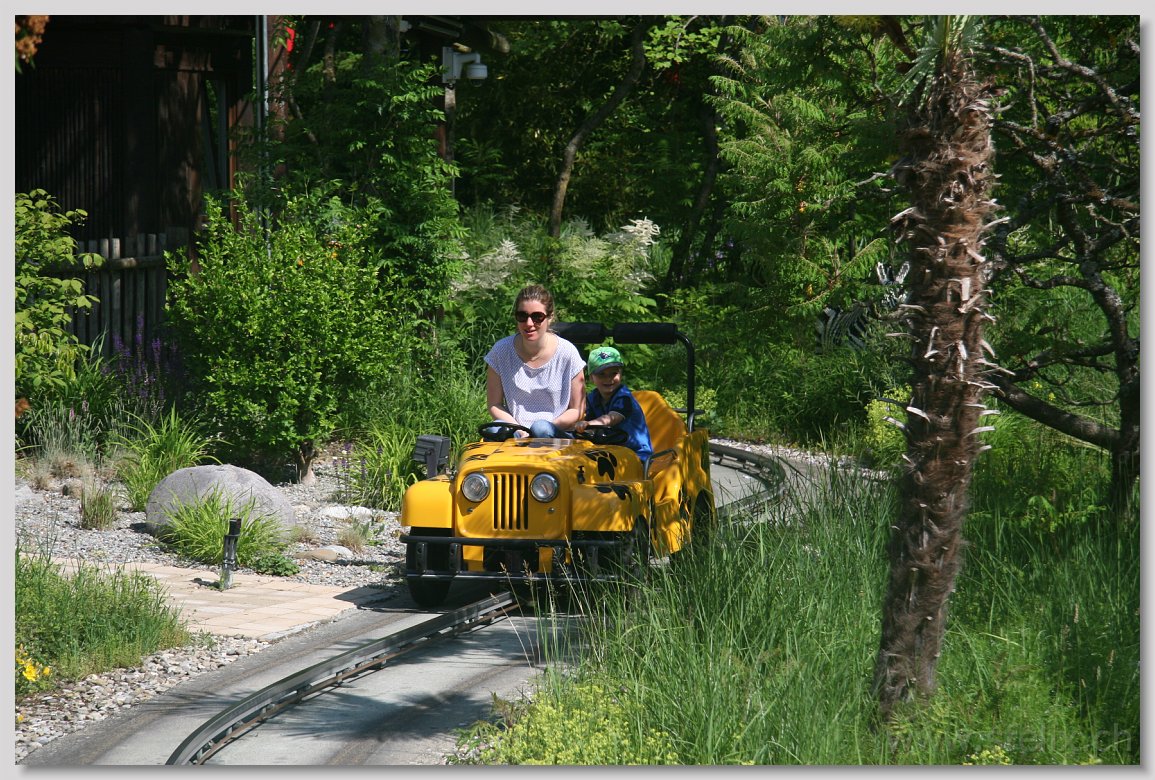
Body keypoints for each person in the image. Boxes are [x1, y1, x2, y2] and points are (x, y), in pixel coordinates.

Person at [482, 284, 586, 440]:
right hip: (516, 431)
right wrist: (519, 429)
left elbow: (578, 409)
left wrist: (545, 428)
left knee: (541, 428)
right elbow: (494, 404)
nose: (529, 323)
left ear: (550, 317)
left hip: (555, 433)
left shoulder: (567, 353)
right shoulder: (501, 351)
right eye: (522, 316)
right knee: (494, 428)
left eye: (537, 317)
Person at [574, 345, 653, 464]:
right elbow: (589, 427)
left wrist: (588, 424)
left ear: (620, 374)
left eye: (613, 373)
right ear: (591, 378)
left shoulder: (624, 397)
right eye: (602, 374)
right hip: (609, 452)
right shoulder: (592, 398)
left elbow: (612, 418)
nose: (609, 379)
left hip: (636, 455)